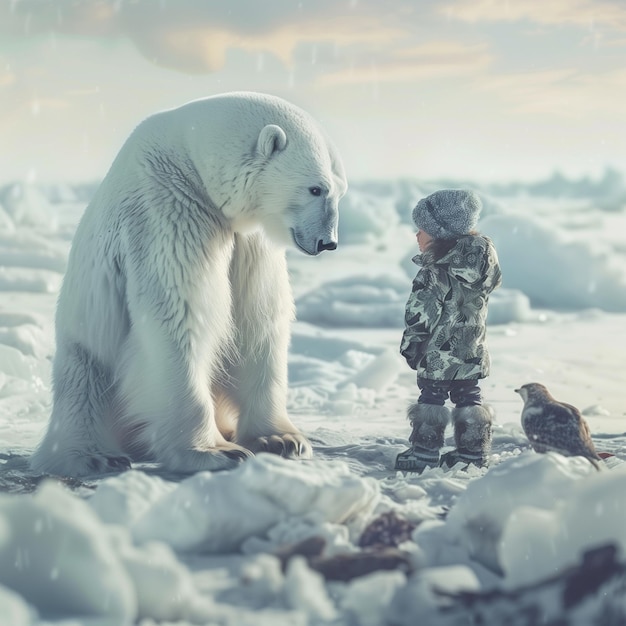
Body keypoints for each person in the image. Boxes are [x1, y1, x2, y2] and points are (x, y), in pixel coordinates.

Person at [395, 189, 502, 473]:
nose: (417, 236)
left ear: (440, 233)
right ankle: (473, 452)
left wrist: (412, 347)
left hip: (438, 352)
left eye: (422, 229)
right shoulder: (483, 264)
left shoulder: (434, 272)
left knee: (431, 397)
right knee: (469, 395)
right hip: (472, 351)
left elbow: (420, 315)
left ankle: (425, 452)